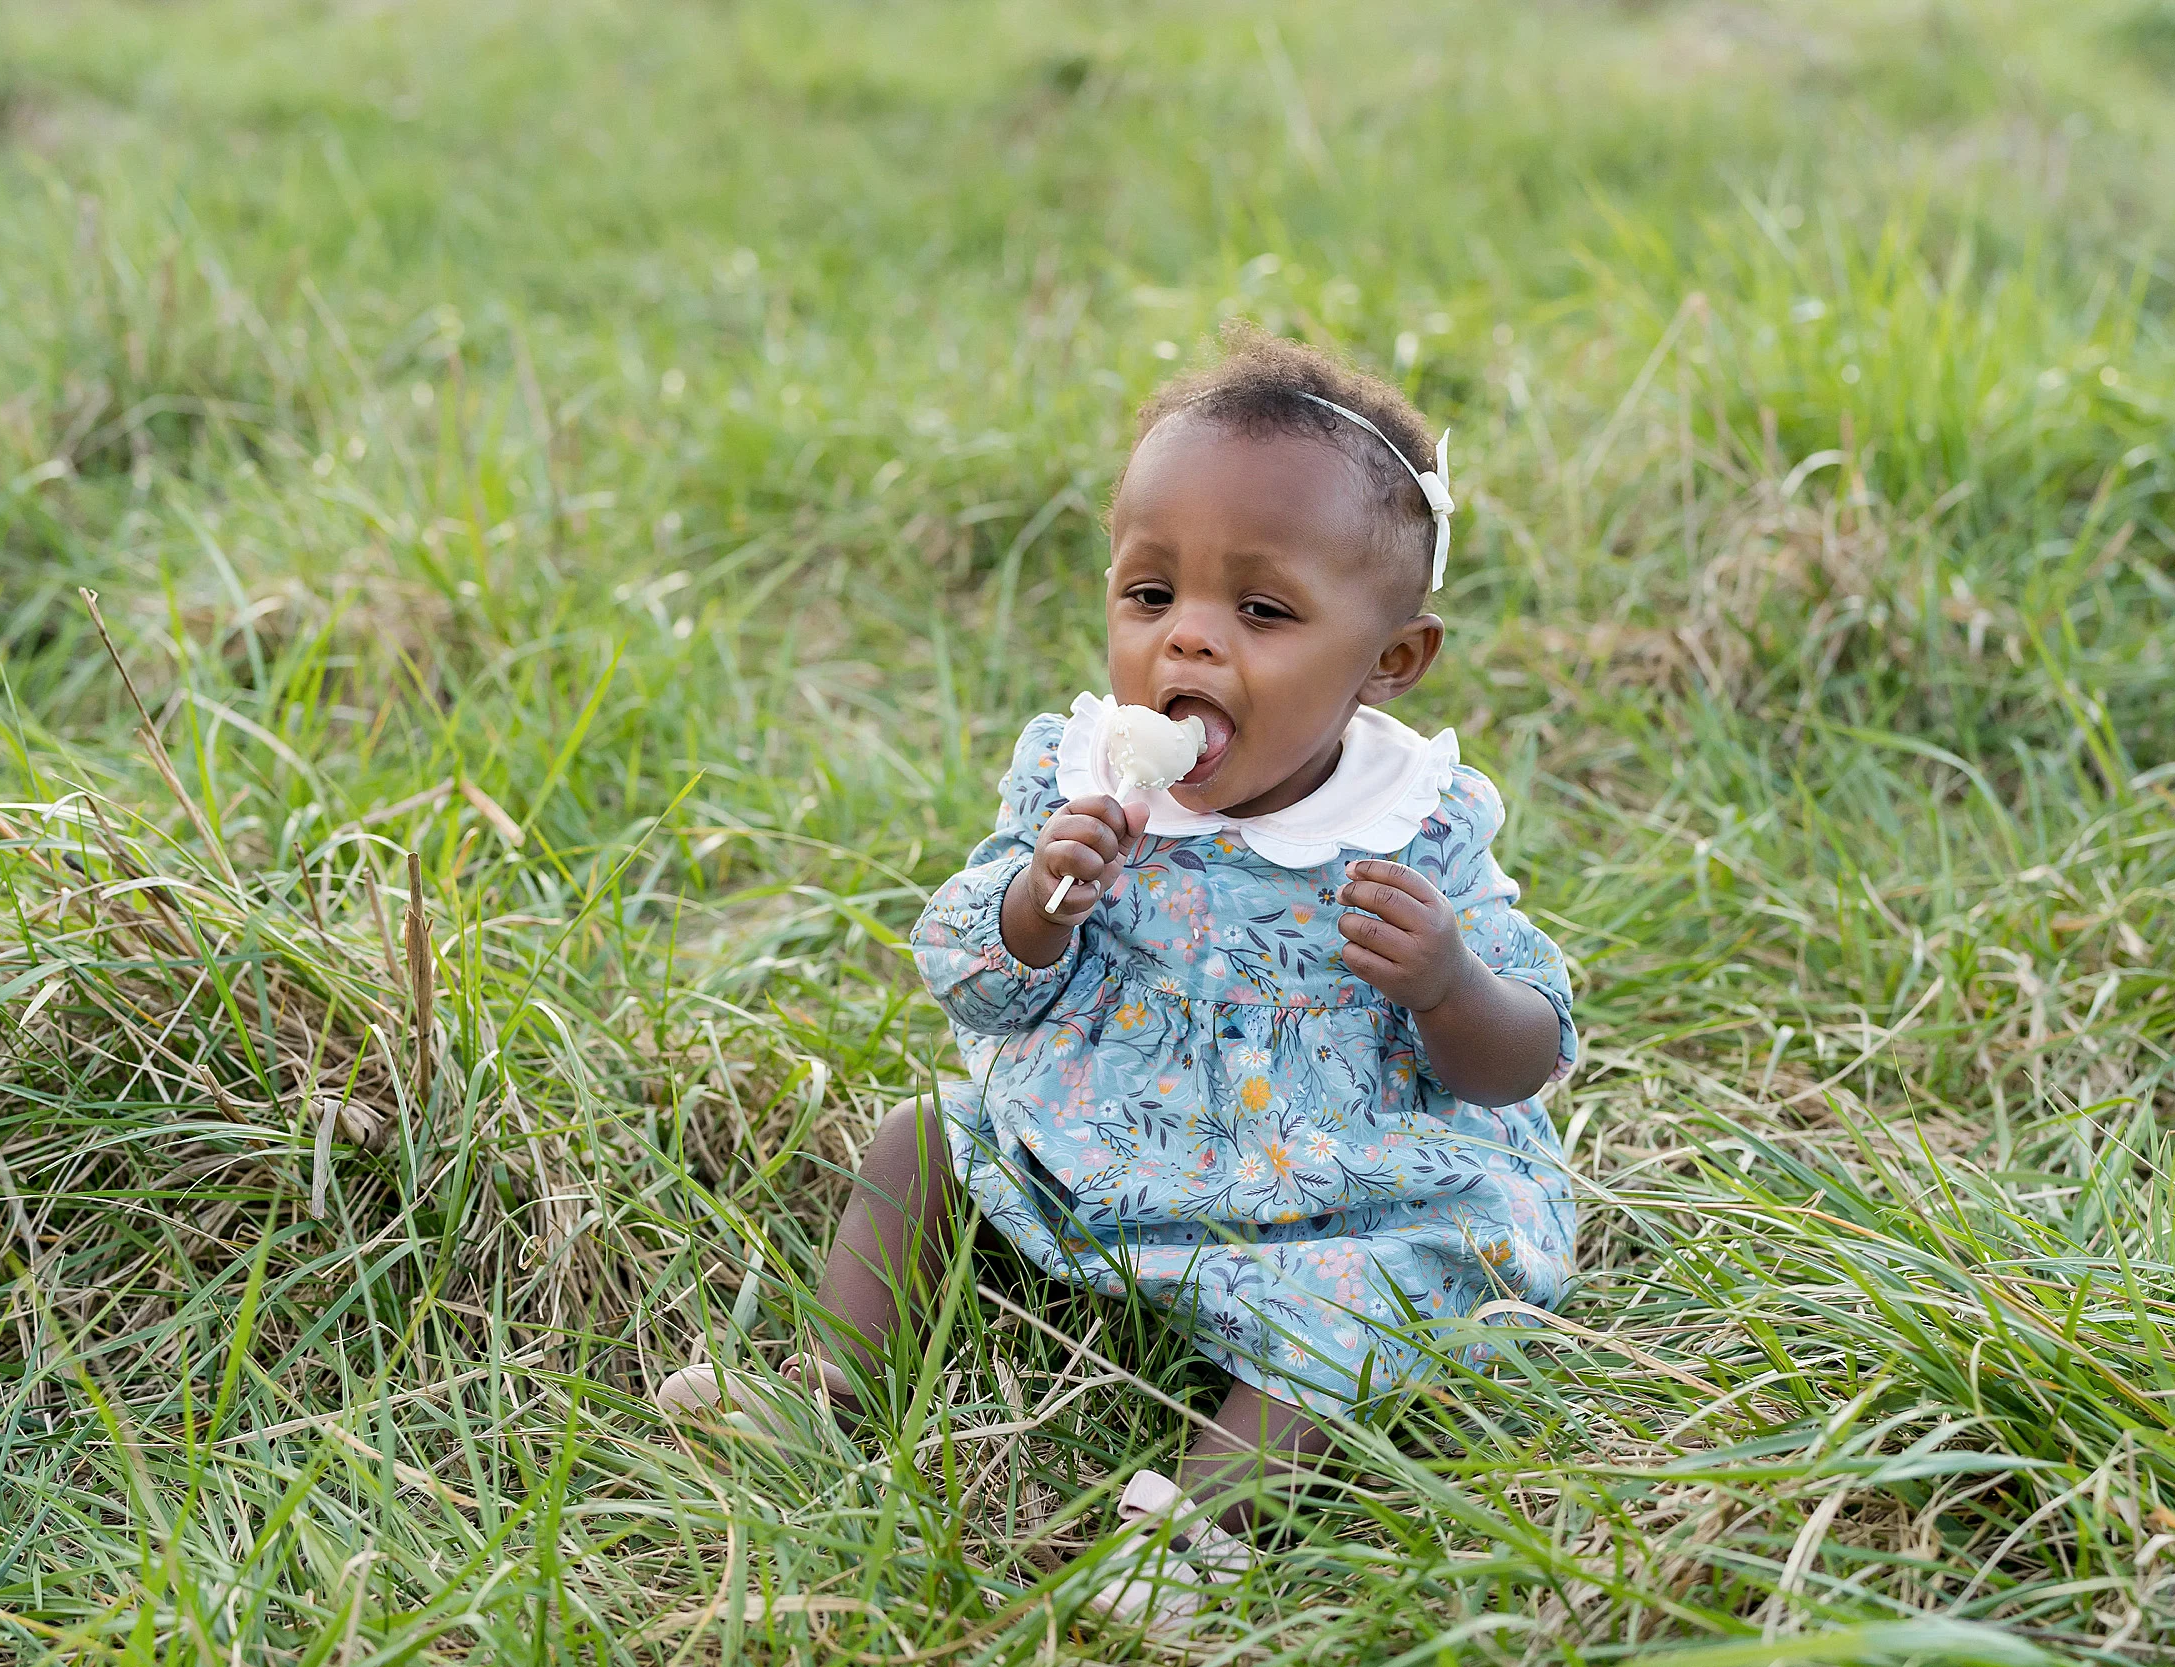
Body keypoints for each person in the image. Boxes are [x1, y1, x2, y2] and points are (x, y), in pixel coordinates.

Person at [658, 325, 1580, 1628]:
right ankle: (824, 1389)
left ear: (1389, 661)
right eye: (1152, 597)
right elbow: (977, 980)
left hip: (1329, 1195)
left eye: (1261, 611)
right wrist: (1043, 899)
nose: (1187, 647)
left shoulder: (1414, 825)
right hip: (1092, 1149)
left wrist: (1443, 980)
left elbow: (1523, 1055)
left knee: (1356, 1312)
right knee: (919, 1139)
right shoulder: (1078, 781)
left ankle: (1198, 1538)